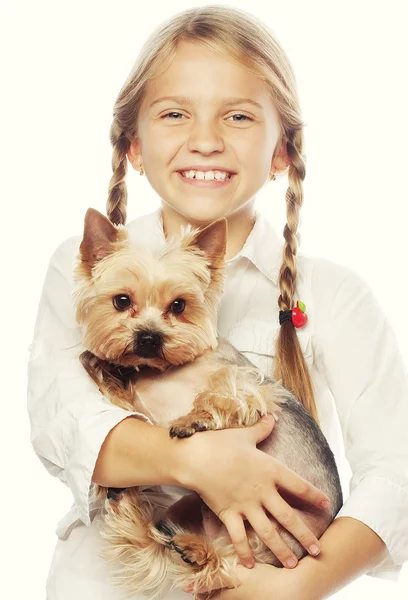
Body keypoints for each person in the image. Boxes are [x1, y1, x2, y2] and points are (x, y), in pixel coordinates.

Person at [27, 5, 408, 599]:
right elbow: (64, 422)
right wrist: (196, 463)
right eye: (175, 114)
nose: (205, 141)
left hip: (262, 582)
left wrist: (301, 586)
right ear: (132, 143)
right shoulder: (83, 271)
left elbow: (397, 468)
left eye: (238, 116)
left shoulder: (335, 294)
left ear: (283, 151)